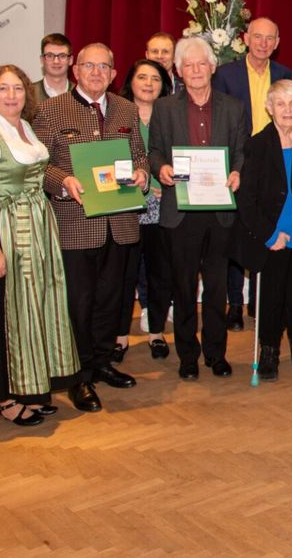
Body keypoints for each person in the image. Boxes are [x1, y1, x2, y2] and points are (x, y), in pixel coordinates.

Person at [0, 64, 80, 425]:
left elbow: (37, 172)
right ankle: (5, 397)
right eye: (3, 89)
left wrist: (66, 181)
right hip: (2, 228)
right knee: (5, 314)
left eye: (18, 89)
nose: (11, 96)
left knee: (33, 308)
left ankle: (29, 387)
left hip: (35, 228)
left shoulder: (24, 128)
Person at [33, 43, 150, 412]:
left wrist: (143, 174)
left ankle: (101, 362)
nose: (97, 73)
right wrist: (63, 181)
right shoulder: (50, 111)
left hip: (121, 223)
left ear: (115, 74)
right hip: (75, 224)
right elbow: (39, 166)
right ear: (75, 70)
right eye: (89, 66)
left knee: (111, 302)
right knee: (79, 304)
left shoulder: (126, 108)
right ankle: (78, 376)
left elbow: (139, 156)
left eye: (104, 67)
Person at [148, 36, 248, 381]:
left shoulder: (233, 107)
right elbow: (155, 151)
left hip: (220, 212)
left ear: (212, 66)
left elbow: (240, 151)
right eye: (187, 65)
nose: (195, 71)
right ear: (178, 70)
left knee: (217, 288)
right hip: (181, 211)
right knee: (184, 287)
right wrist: (160, 169)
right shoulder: (164, 109)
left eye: (201, 64)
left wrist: (237, 171)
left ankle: (216, 355)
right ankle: (187, 356)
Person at [236, 79, 292, 380]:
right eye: (280, 104)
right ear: (269, 107)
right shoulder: (257, 144)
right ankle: (269, 352)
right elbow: (246, 200)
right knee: (271, 298)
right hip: (273, 235)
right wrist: (269, 235)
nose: (287, 110)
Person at [213, 17, 292, 331]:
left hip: (275, 164)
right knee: (241, 231)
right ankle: (235, 302)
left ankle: (261, 301)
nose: (263, 43)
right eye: (257, 37)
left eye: (269, 38)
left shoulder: (284, 74)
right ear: (246, 38)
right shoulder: (226, 74)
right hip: (241, 162)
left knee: (270, 226)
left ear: (276, 42)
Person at [116, 59, 174, 362]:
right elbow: (111, 156)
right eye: (142, 77)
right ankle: (120, 335)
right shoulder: (117, 113)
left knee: (157, 273)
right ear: (131, 81)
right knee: (124, 272)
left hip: (163, 205)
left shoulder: (170, 114)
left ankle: (156, 333)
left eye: (155, 78)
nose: (149, 83)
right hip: (127, 204)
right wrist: (141, 182)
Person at [33, 33, 73, 103]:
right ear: (42, 60)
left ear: (70, 60)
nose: (56, 61)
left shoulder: (81, 94)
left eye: (62, 56)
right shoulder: (28, 93)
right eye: (50, 56)